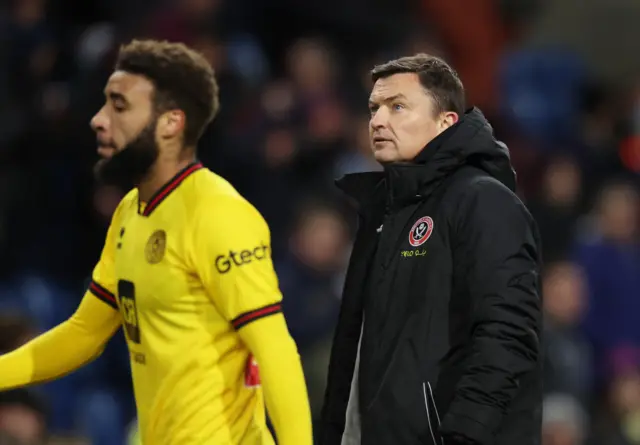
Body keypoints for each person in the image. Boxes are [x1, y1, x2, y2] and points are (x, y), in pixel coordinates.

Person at [0, 39, 312, 445]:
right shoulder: (131, 211)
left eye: (119, 106)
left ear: (170, 122)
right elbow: (84, 333)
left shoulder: (217, 214)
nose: (99, 119)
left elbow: (275, 352)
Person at [320, 54, 542, 445]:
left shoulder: (483, 201)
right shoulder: (381, 211)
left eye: (397, 106)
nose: (378, 121)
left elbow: (508, 332)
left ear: (446, 122)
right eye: (374, 109)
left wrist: (465, 433)